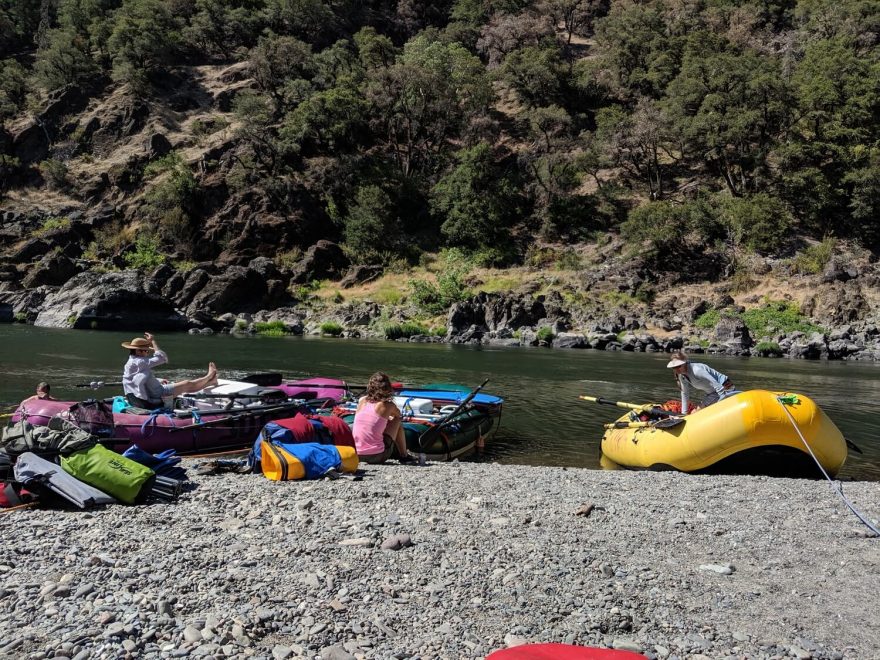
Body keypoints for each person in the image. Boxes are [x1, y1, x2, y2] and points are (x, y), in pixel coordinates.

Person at [121, 332, 218, 409]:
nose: (147, 353)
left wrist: (158, 380)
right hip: (157, 393)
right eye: (146, 351)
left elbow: (139, 379)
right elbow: (162, 358)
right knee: (186, 384)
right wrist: (153, 341)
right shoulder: (140, 362)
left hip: (145, 394)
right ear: (138, 351)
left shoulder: (130, 363)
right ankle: (209, 376)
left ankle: (211, 382)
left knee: (179, 383)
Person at [352, 371, 416, 464]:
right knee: (397, 421)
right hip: (377, 456)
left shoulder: (362, 400)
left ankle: (403, 455)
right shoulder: (388, 405)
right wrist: (388, 418)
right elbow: (398, 416)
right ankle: (404, 455)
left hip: (357, 454)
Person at [666, 351, 738, 410]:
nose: (676, 369)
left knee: (697, 411)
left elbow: (716, 384)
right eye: (674, 367)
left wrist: (722, 401)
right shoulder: (682, 376)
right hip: (712, 393)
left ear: (684, 363)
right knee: (695, 411)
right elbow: (685, 394)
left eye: (678, 366)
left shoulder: (696, 370)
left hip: (725, 387)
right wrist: (683, 413)